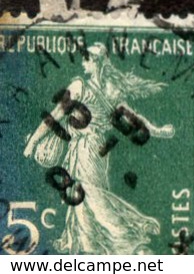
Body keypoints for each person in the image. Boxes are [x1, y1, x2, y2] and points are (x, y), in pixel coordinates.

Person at [24, 42, 176, 253]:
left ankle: (126, 236)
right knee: (84, 200)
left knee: (90, 196)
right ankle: (94, 249)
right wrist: (158, 130)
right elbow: (135, 119)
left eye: (87, 58)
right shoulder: (104, 90)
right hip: (96, 150)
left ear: (97, 63)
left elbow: (55, 116)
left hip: (88, 151)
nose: (83, 62)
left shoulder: (82, 87)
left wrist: (32, 143)